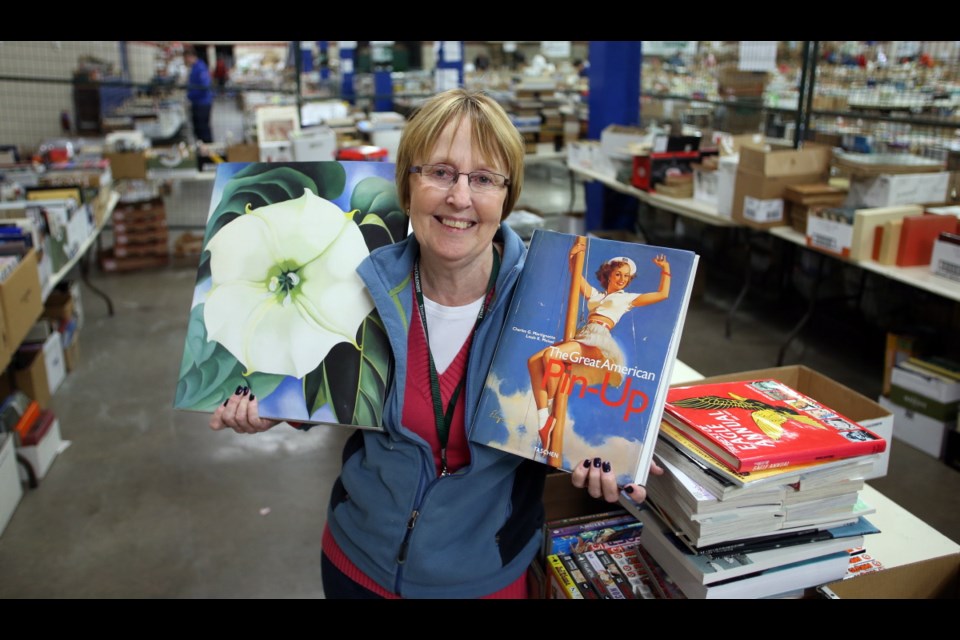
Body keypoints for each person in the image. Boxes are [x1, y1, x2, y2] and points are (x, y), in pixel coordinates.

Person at [209, 88, 659, 599]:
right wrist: (273, 406)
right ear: (407, 186)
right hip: (357, 565)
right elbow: (332, 384)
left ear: (506, 198)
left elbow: (586, 416)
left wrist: (609, 458)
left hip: (482, 580)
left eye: (484, 179)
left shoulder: (550, 307)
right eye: (440, 172)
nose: (460, 197)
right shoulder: (359, 280)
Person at [528, 238, 671, 455]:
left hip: (598, 341)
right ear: (609, 275)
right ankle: (543, 422)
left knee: (552, 355)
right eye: (618, 274)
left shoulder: (628, 299)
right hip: (582, 337)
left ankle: (551, 410)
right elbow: (576, 276)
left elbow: (662, 294)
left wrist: (665, 270)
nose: (622, 279)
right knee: (534, 361)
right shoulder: (596, 296)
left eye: (626, 276)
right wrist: (572, 254)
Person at [183, 45, 213, 143]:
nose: (185, 61)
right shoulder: (195, 67)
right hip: (197, 103)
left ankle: (208, 152)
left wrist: (189, 96)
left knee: (203, 129)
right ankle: (201, 150)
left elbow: (204, 87)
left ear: (189, 57)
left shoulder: (200, 67)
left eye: (186, 59)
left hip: (202, 103)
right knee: (198, 129)